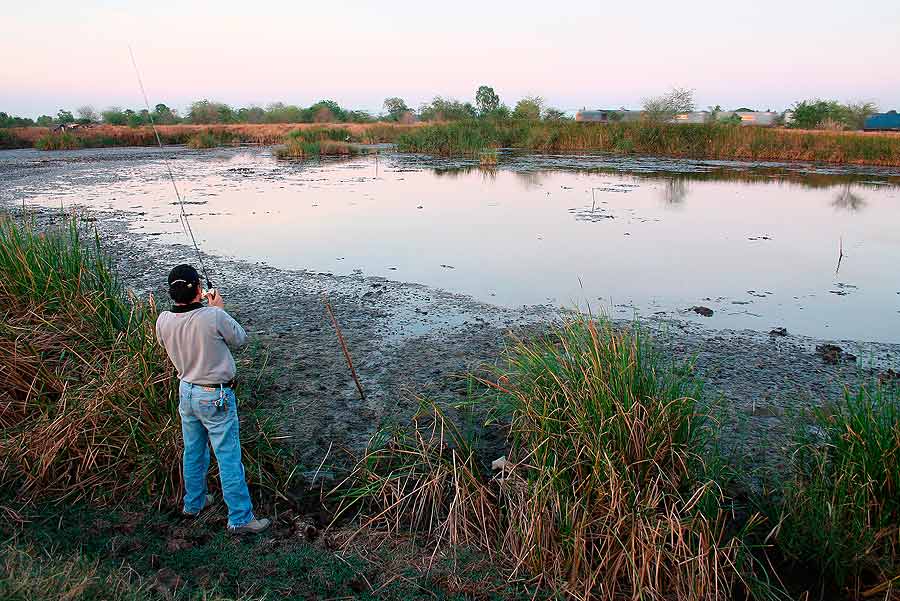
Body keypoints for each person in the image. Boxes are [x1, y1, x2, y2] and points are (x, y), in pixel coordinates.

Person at [155, 264, 270, 535]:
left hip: (186, 391)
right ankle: (240, 518)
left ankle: (193, 503)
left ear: (173, 293)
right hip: (215, 394)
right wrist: (218, 308)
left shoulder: (163, 320)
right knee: (228, 455)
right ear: (198, 289)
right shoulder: (213, 317)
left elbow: (167, 342)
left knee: (193, 450)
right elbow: (240, 338)